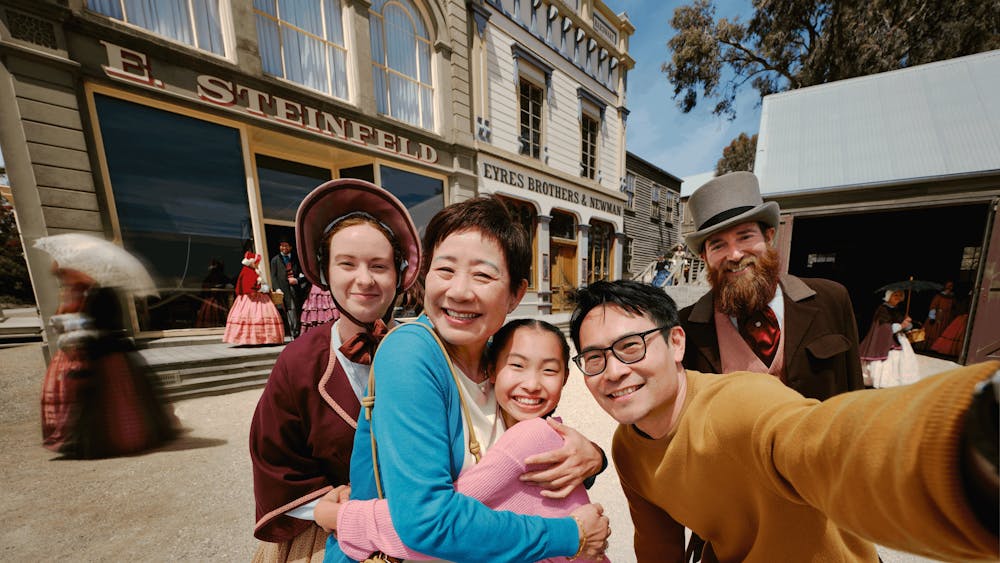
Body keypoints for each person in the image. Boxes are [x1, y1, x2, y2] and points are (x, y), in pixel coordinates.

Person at [570, 279, 998, 562]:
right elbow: (658, 547)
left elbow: (825, 445)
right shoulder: (628, 446)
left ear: (676, 343)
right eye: (594, 358)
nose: (613, 371)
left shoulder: (742, 402)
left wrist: (968, 437)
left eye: (630, 347)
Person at [320, 196, 610, 563]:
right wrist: (571, 535)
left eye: (483, 275)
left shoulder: (500, 357)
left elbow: (525, 458)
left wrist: (592, 458)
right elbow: (427, 521)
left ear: (516, 293)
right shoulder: (412, 353)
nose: (458, 291)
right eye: (445, 270)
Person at [324, 319, 609, 563]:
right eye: (518, 365)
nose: (532, 384)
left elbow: (432, 523)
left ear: (565, 378)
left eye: (549, 370)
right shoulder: (553, 435)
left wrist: (337, 517)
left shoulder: (531, 436)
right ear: (492, 371)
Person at [249, 179, 422, 561]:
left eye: (379, 266)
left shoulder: (424, 349)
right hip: (329, 531)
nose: (364, 279)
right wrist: (327, 506)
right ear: (324, 272)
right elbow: (275, 461)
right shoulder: (297, 362)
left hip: (418, 526)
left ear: (399, 275)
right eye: (347, 264)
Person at [679, 171, 864, 401]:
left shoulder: (831, 300)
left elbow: (854, 393)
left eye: (745, 237)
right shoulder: (685, 328)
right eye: (718, 245)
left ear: (769, 237)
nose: (735, 254)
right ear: (705, 257)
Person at [40, 264, 177, 458]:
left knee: (110, 400)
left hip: (103, 351)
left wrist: (74, 322)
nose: (66, 279)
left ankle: (116, 438)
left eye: (66, 274)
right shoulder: (84, 293)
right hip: (97, 350)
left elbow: (101, 322)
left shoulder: (101, 293)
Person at [859, 289, 919, 388]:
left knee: (899, 361)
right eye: (895, 294)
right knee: (887, 362)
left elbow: (903, 324)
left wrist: (907, 323)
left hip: (898, 338)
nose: (898, 297)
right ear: (889, 296)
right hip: (885, 341)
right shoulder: (883, 309)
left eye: (900, 295)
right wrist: (901, 326)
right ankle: (883, 381)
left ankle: (897, 380)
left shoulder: (897, 309)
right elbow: (884, 327)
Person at [223, 251, 284, 345]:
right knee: (255, 316)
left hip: (251, 298)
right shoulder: (248, 272)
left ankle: (256, 339)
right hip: (251, 299)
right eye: (257, 261)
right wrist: (264, 289)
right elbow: (250, 288)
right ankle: (253, 339)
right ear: (252, 262)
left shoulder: (251, 270)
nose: (258, 263)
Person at [271, 238, 309, 339]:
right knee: (290, 310)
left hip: (298, 289)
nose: (283, 248)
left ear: (290, 247)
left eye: (286, 246)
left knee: (298, 310)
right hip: (284, 289)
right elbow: (273, 276)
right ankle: (294, 333)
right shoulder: (275, 260)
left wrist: (297, 280)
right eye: (282, 246)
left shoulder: (297, 259)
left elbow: (305, 274)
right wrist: (277, 288)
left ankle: (299, 332)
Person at [923, 280, 956, 349]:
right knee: (934, 332)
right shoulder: (939, 296)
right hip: (938, 316)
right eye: (948, 285)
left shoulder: (952, 298)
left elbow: (953, 308)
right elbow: (933, 306)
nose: (949, 287)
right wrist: (932, 317)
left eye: (951, 286)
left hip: (946, 318)